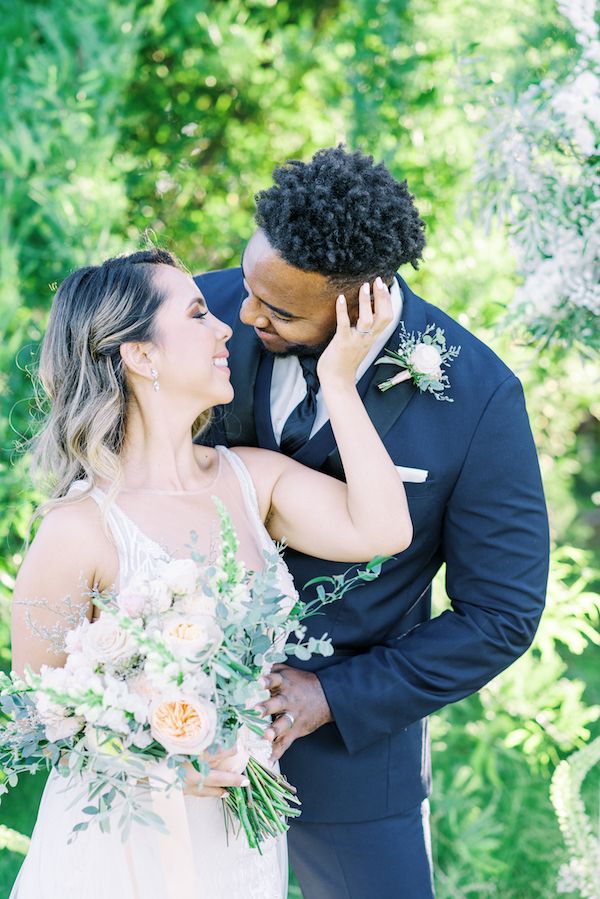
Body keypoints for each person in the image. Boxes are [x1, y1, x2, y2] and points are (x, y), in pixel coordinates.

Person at [195, 146, 550, 899]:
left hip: (354, 763)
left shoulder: (477, 398)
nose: (245, 313)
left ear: (360, 299)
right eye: (249, 281)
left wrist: (335, 696)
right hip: (179, 725)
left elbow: (501, 614)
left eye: (280, 310)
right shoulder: (200, 318)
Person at [9, 248, 413, 899]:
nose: (225, 326)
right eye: (197, 313)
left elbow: (385, 529)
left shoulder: (252, 479)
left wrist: (339, 381)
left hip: (240, 841)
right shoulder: (79, 528)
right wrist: (155, 747)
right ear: (140, 355)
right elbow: (41, 711)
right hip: (124, 848)